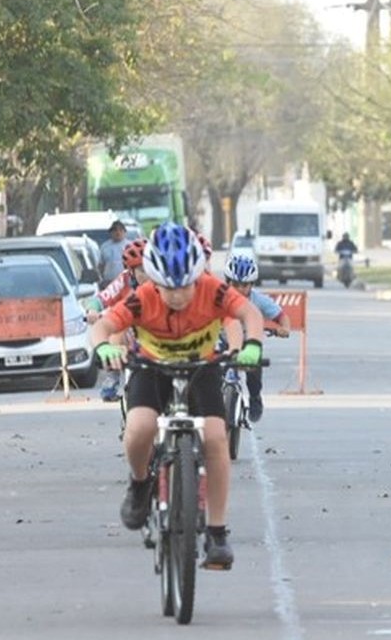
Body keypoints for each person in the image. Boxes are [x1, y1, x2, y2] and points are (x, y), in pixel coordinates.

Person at [89, 222, 265, 569]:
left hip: (202, 367)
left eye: (185, 285)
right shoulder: (142, 298)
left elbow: (248, 313)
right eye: (168, 288)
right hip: (152, 367)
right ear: (154, 279)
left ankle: (217, 532)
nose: (178, 295)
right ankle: (140, 485)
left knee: (216, 437)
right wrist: (105, 350)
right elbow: (104, 326)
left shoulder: (212, 291)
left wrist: (252, 346)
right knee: (139, 427)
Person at [222, 254, 290, 422]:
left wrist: (284, 328)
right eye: (234, 284)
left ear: (252, 285)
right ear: (226, 281)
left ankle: (254, 397)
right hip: (222, 341)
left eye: (244, 285)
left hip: (248, 342)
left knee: (254, 367)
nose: (239, 289)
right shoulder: (218, 297)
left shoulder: (259, 300)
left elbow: (281, 316)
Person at [86, 238, 149, 401]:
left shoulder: (164, 282)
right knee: (116, 333)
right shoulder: (124, 280)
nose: (147, 275)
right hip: (129, 329)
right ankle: (113, 378)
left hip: (156, 332)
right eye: (141, 270)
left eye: (151, 268)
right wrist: (93, 310)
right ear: (131, 271)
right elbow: (101, 298)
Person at [97, 220, 130, 287]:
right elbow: (101, 265)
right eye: (115, 230)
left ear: (124, 232)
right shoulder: (105, 246)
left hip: (126, 282)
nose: (118, 232)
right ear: (111, 232)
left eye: (120, 230)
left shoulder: (129, 246)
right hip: (109, 282)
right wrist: (102, 278)